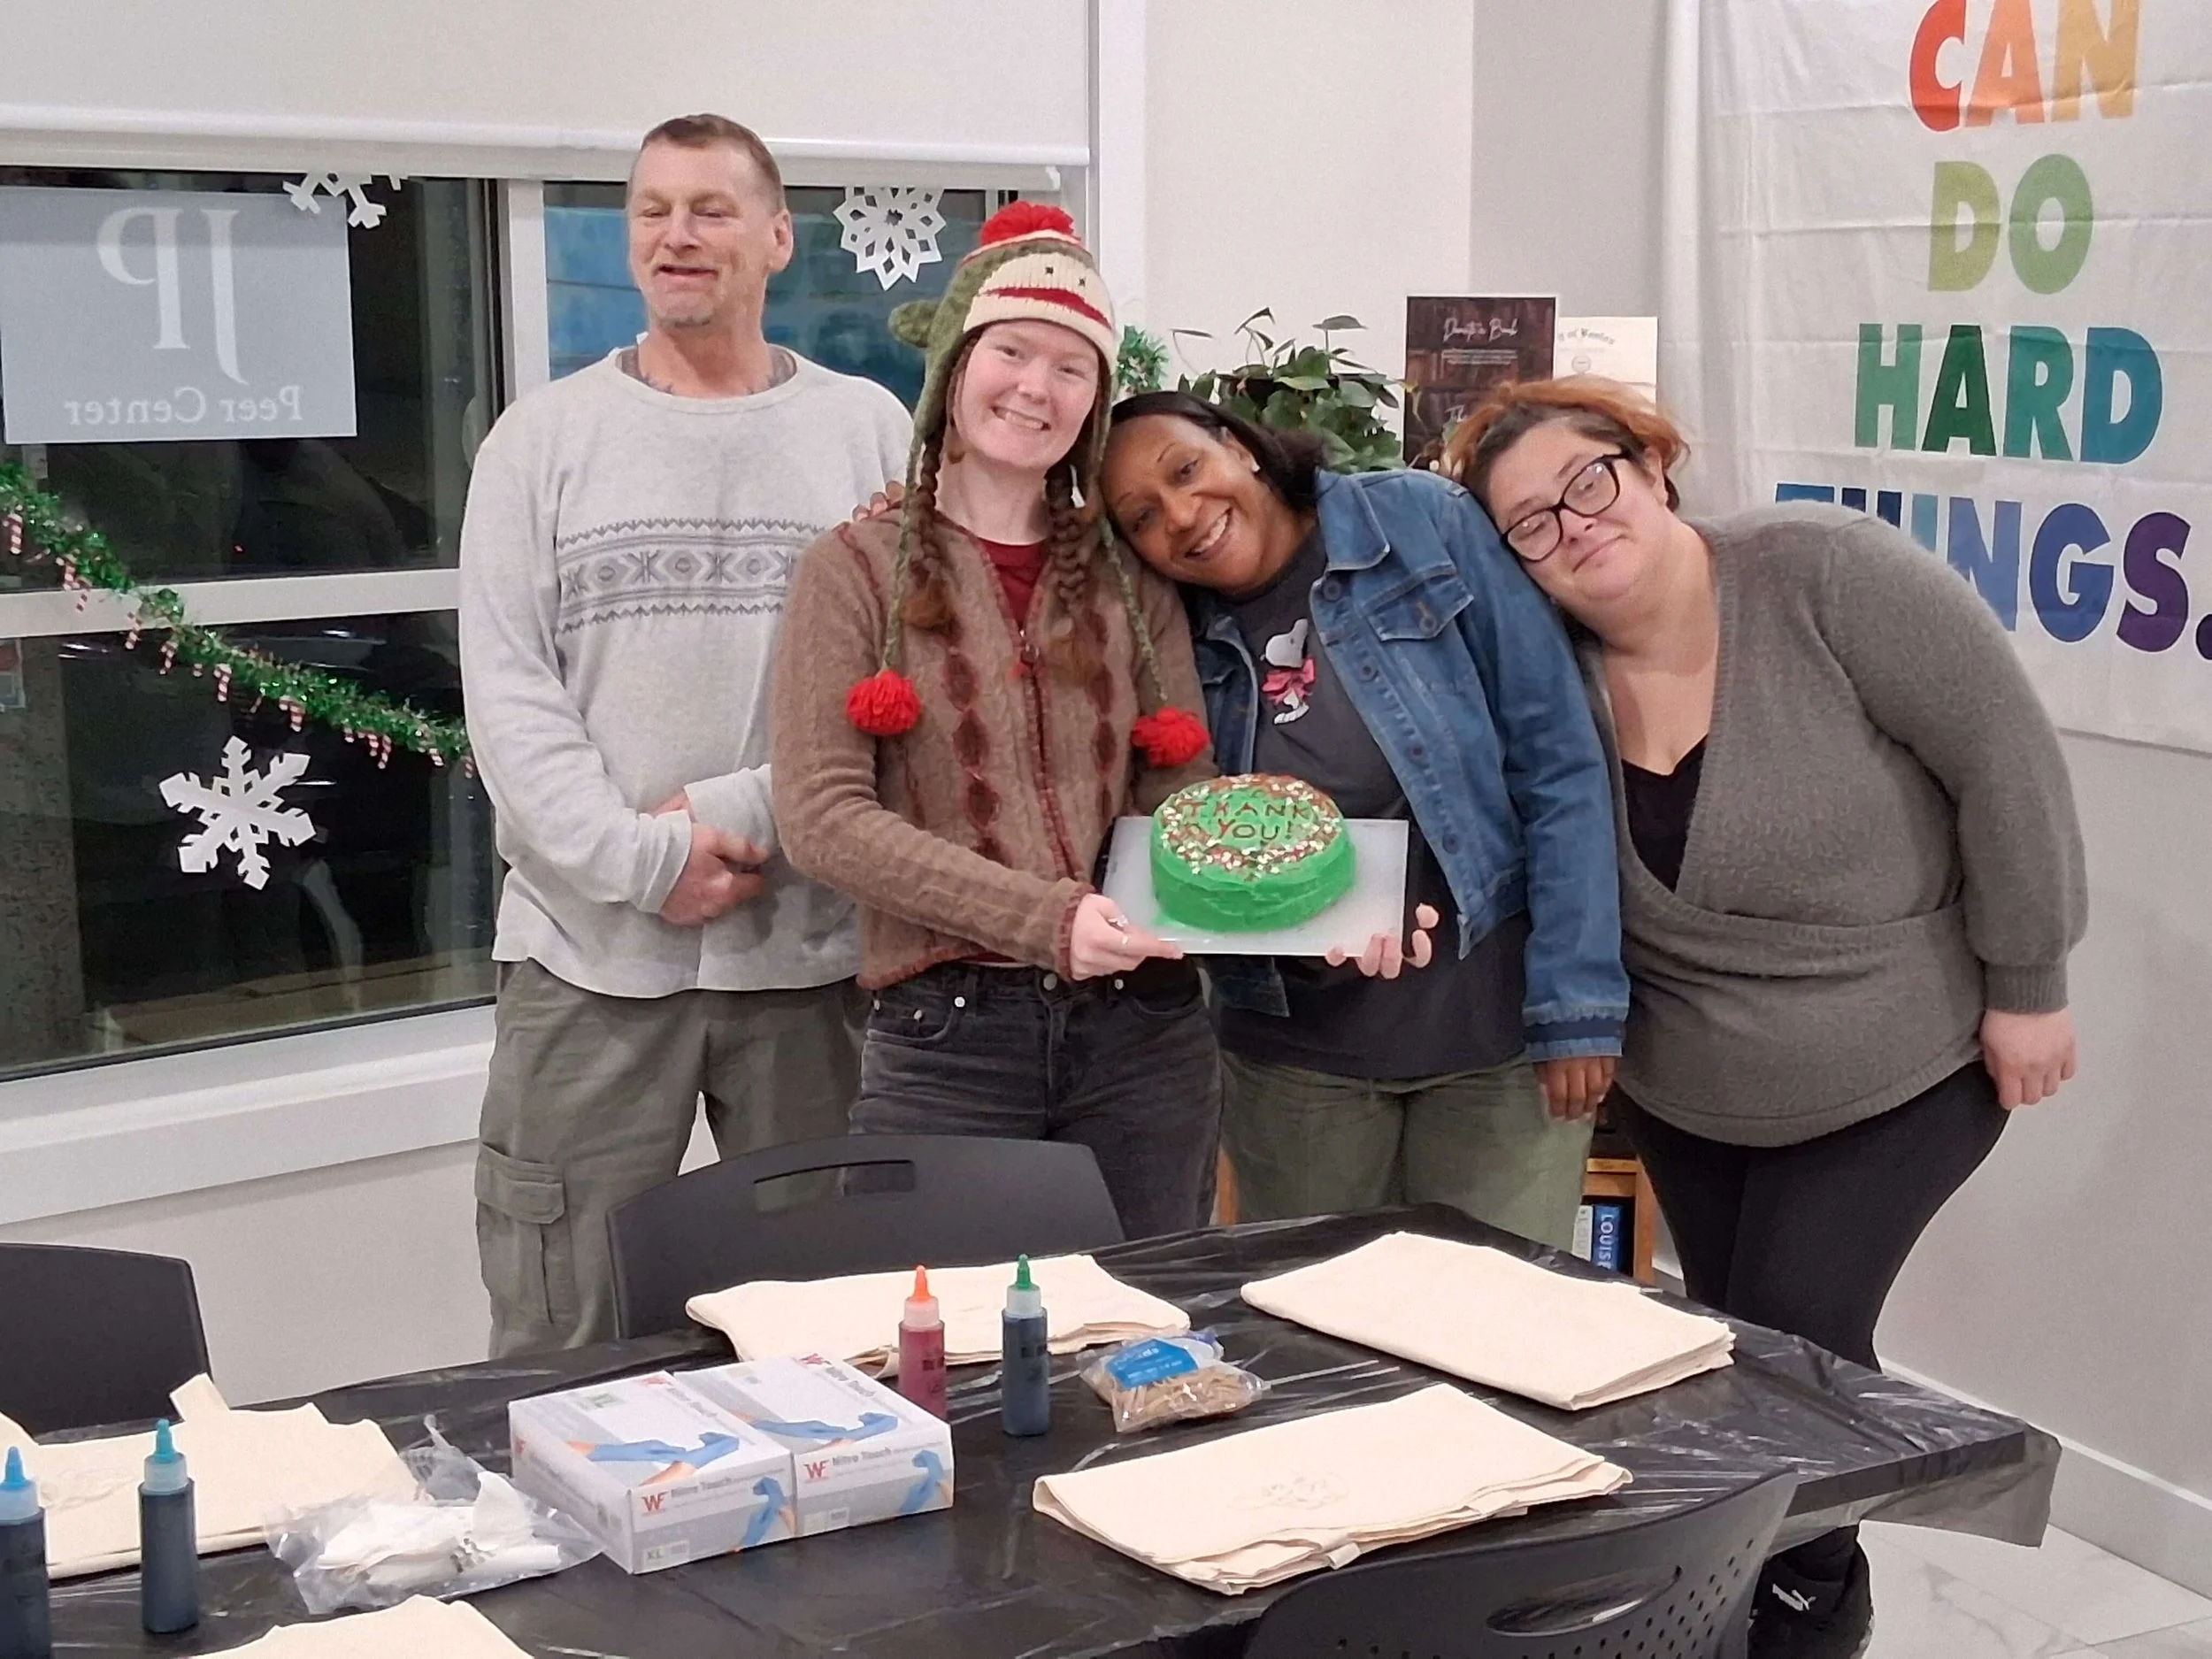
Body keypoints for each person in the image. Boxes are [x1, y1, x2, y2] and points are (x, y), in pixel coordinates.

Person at [1448, 376, 2087, 1658]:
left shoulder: (1826, 575)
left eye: (1591, 478)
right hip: (1693, 1088)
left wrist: (2030, 983)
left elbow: (2005, 759)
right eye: (1529, 522)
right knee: (1730, 1360)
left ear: (1653, 464)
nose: (1573, 523)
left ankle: (1803, 1606)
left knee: (1798, 1351)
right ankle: (1742, 1596)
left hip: (1901, 1058)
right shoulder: (1550, 680)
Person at [458, 114, 910, 1356]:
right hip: (586, 964)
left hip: (809, 960)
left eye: (711, 209)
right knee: (564, 1332)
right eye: (653, 210)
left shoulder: (869, 432)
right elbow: (508, 699)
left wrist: (741, 815)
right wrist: (646, 861)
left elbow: (895, 682)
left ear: (776, 238)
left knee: (834, 1330)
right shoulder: (537, 443)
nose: (677, 235)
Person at [769, 204, 1230, 1239]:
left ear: (1097, 402)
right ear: (953, 368)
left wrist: (1301, 911)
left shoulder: (1127, 573)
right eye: (1011, 350)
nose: (1035, 387)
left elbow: (1176, 789)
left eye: (1073, 367)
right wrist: (1045, 919)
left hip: (1145, 1036)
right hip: (948, 1042)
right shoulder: (848, 573)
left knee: (1150, 1334)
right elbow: (821, 816)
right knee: (948, 1358)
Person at [1100, 392, 1628, 1250]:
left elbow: (1557, 756)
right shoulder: (1160, 629)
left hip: (1492, 1040)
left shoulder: (1417, 522)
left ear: (1238, 445)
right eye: (1142, 517)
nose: (1183, 517)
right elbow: (1180, 837)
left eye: (1187, 470)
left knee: (1494, 1338)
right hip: (1296, 1065)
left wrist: (1577, 1001)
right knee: (1319, 1351)